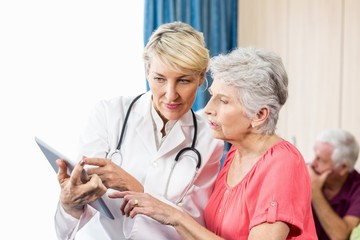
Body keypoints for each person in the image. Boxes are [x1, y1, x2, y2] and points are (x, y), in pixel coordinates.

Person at [110, 47, 318, 239]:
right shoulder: (234, 155)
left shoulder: (283, 163)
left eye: (224, 100)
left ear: (259, 114)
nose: (208, 108)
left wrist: (174, 215)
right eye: (212, 96)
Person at [54, 21, 224, 240]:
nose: (171, 95)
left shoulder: (209, 140)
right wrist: (69, 205)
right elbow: (70, 225)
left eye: (183, 80)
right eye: (160, 79)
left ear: (201, 77)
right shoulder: (108, 114)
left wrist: (135, 188)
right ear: (147, 71)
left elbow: (191, 230)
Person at [307, 129, 360, 240]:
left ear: (343, 168)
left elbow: (341, 236)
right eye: (315, 156)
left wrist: (314, 191)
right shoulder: (309, 172)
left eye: (321, 160)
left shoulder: (357, 188)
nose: (313, 163)